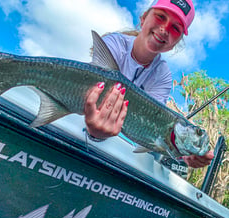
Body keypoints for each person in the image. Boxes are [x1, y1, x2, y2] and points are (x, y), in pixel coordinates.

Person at [84, 0, 214, 168]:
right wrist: (95, 134)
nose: (165, 29)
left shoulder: (163, 74)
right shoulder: (114, 44)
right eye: (160, 17)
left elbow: (150, 127)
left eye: (175, 28)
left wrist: (180, 153)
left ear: (177, 41)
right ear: (144, 18)